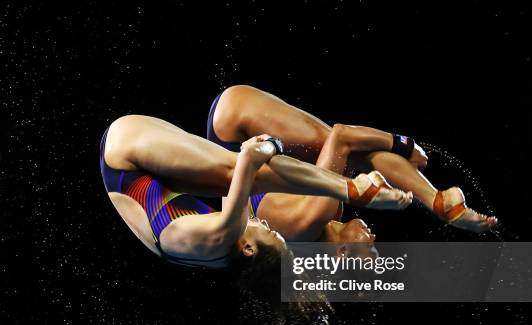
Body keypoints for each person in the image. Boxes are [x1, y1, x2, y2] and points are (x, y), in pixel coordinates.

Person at [100, 115, 412, 270]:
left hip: (124, 153)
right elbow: (239, 199)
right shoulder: (225, 249)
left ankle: (354, 189)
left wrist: (270, 145)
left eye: (268, 231)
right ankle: (353, 187)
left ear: (249, 249)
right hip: (131, 175)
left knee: (238, 172)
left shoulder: (222, 236)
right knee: (235, 179)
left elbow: (247, 162)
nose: (266, 223)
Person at [206, 85, 497, 237]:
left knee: (334, 142)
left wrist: (403, 145)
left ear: (343, 253)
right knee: (351, 159)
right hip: (240, 151)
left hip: (234, 128)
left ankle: (438, 202)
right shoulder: (315, 226)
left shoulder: (313, 218)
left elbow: (343, 135)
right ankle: (438, 202)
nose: (374, 242)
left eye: (369, 257)